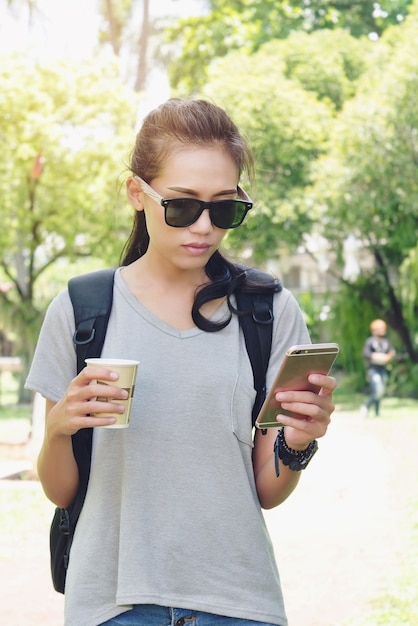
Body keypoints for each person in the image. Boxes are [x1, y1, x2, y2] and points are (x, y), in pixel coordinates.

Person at [26, 98, 337, 626]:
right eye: (183, 205)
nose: (204, 228)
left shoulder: (269, 312)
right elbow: (61, 490)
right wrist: (58, 431)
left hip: (240, 604)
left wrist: (297, 442)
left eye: (224, 208)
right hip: (112, 606)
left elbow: (267, 490)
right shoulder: (81, 311)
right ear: (137, 194)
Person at [361, 319, 395, 417]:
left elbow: (392, 352)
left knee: (381, 391)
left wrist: (387, 357)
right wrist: (378, 356)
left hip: (383, 369)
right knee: (378, 389)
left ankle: (377, 412)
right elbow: (366, 354)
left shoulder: (386, 342)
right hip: (373, 369)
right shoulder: (370, 341)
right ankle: (366, 406)